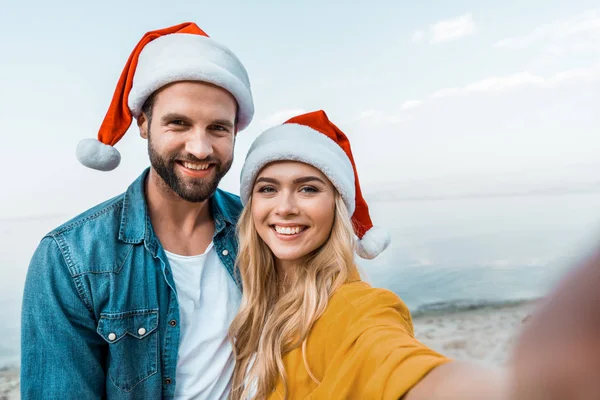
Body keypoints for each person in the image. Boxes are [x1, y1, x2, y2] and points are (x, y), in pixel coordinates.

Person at [231, 109, 600, 400]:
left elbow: (401, 366)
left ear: (337, 207)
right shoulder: (251, 295)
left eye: (308, 189)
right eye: (268, 189)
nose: (285, 207)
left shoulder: (358, 308)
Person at [21, 22, 254, 399]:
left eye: (218, 128)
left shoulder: (259, 228)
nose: (200, 148)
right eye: (178, 123)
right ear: (143, 123)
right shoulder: (69, 258)